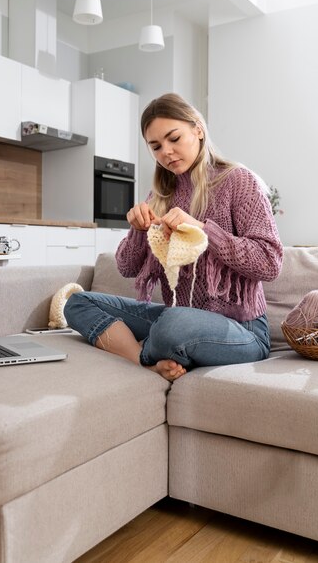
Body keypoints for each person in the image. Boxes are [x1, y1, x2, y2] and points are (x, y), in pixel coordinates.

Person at [64, 93, 283, 381]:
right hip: (178, 316)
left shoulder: (239, 181)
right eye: (156, 146)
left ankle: (143, 345)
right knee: (78, 303)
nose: (166, 151)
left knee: (172, 325)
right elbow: (127, 267)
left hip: (242, 331)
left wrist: (204, 230)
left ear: (198, 130)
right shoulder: (161, 195)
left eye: (174, 138)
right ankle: (142, 360)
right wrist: (138, 231)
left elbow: (269, 263)